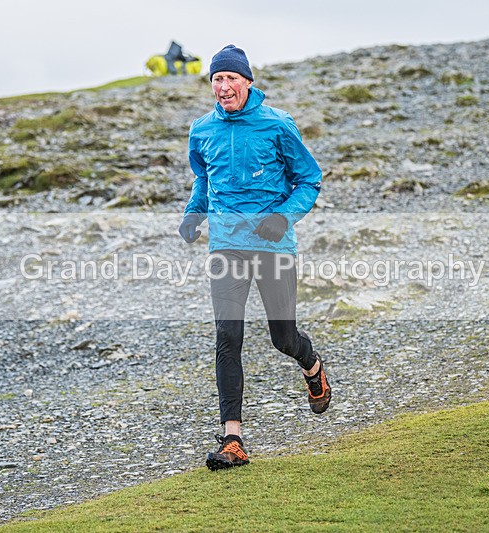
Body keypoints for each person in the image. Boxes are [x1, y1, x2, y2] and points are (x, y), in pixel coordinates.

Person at [178, 44, 331, 470]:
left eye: (230, 78)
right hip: (225, 245)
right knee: (228, 337)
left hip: (273, 246)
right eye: (216, 79)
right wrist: (194, 213)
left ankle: (311, 363)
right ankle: (233, 440)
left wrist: (283, 218)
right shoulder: (202, 129)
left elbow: (309, 180)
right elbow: (203, 178)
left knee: (283, 338)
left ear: (248, 81)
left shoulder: (277, 124)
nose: (223, 86)